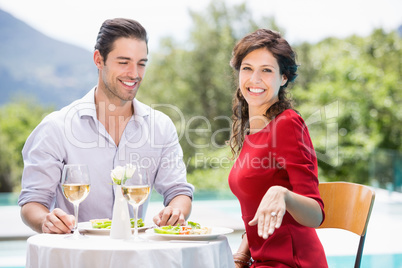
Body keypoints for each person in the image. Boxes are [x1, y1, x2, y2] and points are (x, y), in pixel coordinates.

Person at [18, 18, 194, 234]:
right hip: (76, 257)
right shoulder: (56, 128)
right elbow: (32, 202)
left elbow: (178, 191)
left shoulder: (161, 127)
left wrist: (176, 211)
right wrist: (46, 220)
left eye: (141, 63)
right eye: (123, 62)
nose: (135, 73)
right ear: (98, 60)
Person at [228, 29, 328, 267]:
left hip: (294, 262)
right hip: (262, 261)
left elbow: (316, 215)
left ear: (283, 77)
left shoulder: (287, 124)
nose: (254, 79)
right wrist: (242, 253)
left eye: (266, 70)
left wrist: (282, 194)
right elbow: (255, 215)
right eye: (247, 68)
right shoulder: (253, 130)